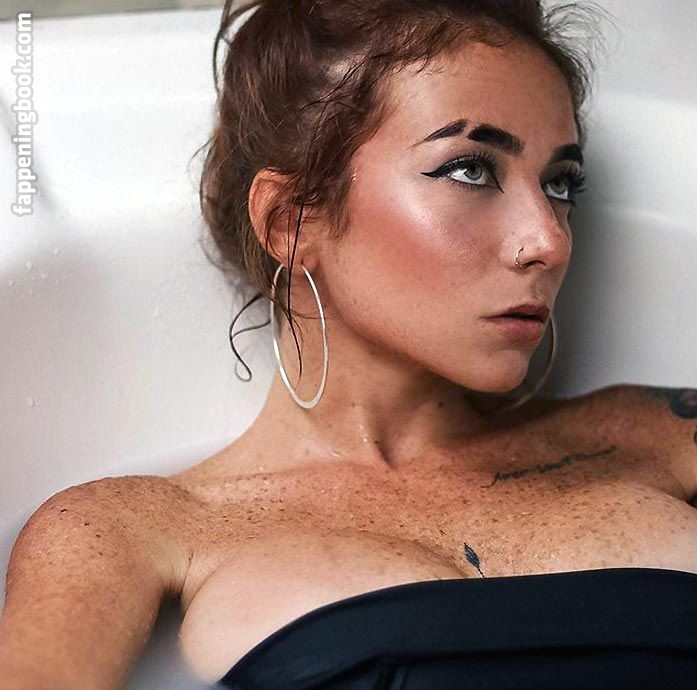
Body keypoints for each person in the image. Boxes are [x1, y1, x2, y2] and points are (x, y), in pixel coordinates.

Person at [1, 1, 696, 688]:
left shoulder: (657, 435)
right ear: (291, 220)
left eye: (560, 183)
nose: (548, 240)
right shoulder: (136, 527)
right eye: (469, 170)